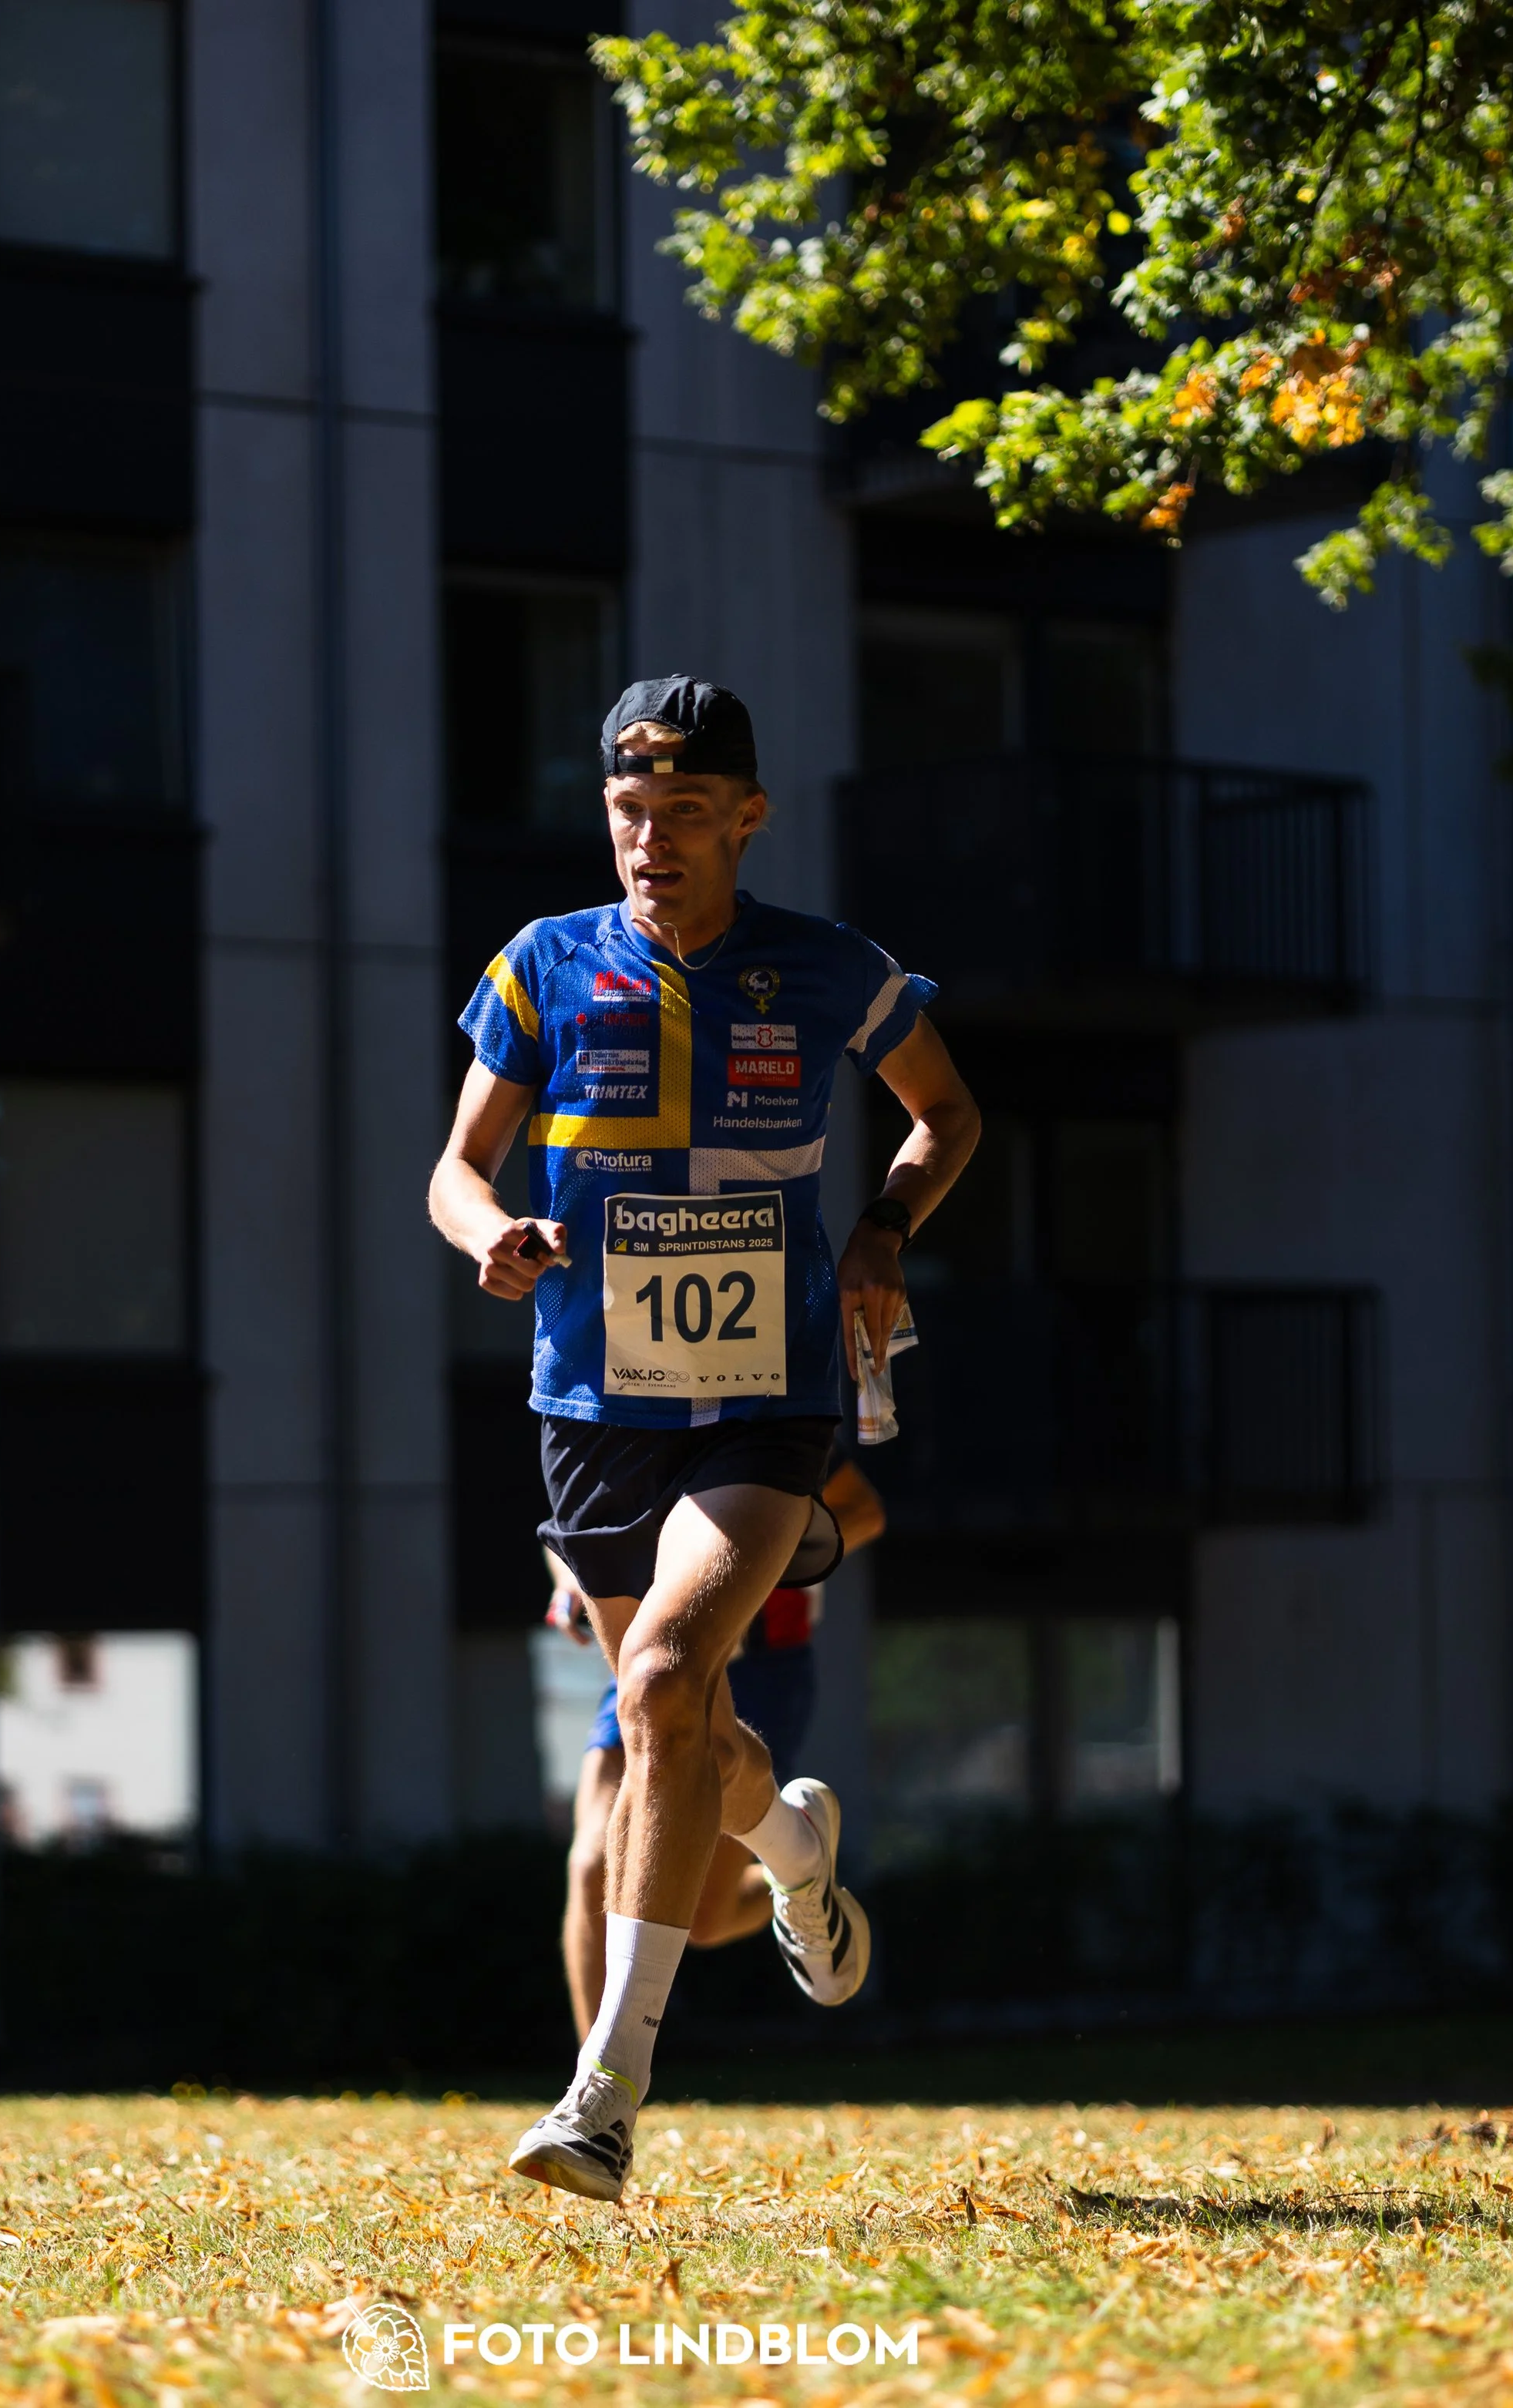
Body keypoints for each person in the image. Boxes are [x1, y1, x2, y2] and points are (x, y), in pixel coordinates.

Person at [428, 674, 980, 2201]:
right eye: (626, 814)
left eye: (681, 814)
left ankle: (604, 2092)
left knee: (666, 1681)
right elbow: (454, 1169)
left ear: (745, 817)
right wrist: (488, 1235)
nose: (649, 840)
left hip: (765, 1397)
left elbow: (945, 1114)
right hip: (590, 1404)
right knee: (696, 1736)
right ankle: (793, 1845)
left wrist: (878, 1225)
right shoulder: (541, 968)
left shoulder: (828, 969)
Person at [555, 1452, 887, 2037]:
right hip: (644, 1659)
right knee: (591, 1864)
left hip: (760, 1660)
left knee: (704, 1919)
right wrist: (570, 1589)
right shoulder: (603, 1404)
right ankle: (591, 2095)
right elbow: (567, 1528)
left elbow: (862, 1511)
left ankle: (798, 1864)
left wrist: (729, 1572)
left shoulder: (752, 1401)